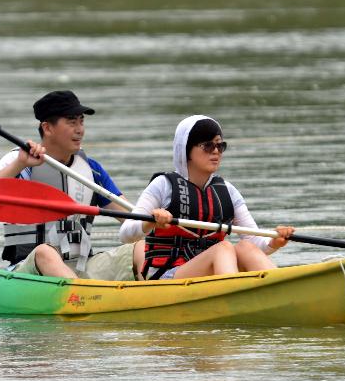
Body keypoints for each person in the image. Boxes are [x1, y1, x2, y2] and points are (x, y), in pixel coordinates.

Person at [0, 90, 136, 280]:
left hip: (83, 267)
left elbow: (131, 218)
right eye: (71, 122)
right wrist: (20, 164)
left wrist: (153, 222)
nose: (80, 129)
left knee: (140, 249)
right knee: (45, 252)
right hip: (30, 269)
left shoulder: (90, 169)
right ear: (47, 128)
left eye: (81, 121)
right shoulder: (19, 161)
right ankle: (81, 297)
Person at [118, 115, 295, 280]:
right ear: (187, 150)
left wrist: (274, 241)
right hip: (166, 276)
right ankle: (234, 294)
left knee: (245, 247)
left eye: (220, 146)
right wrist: (151, 222)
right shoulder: (163, 185)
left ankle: (282, 288)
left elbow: (256, 241)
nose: (216, 151)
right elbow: (126, 234)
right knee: (224, 248)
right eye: (208, 146)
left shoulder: (228, 191)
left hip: (209, 272)